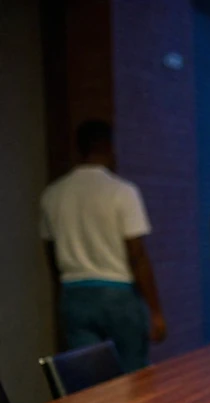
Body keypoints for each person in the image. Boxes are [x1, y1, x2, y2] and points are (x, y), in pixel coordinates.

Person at [40, 120, 166, 372]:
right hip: (117, 291)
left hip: (74, 292)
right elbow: (137, 254)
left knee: (89, 380)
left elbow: (51, 255)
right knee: (133, 375)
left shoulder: (52, 194)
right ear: (109, 146)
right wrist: (155, 310)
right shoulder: (122, 192)